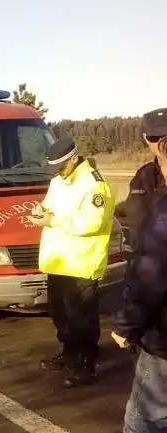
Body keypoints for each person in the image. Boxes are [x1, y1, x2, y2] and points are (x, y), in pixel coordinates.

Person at [27, 137, 114, 387]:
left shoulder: (94, 185)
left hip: (81, 262)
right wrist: (39, 211)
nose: (56, 169)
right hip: (59, 260)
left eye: (61, 164)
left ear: (74, 159)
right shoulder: (58, 181)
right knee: (60, 313)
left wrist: (52, 221)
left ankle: (87, 364)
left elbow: (93, 222)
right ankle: (69, 354)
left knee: (82, 317)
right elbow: (49, 207)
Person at [111, 127, 167, 432]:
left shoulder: (163, 217)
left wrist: (125, 326)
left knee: (144, 422)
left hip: (163, 342)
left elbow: (150, 279)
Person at [122, 108, 167, 255]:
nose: (161, 143)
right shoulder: (143, 175)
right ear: (146, 138)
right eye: (155, 137)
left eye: (165, 136)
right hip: (144, 263)